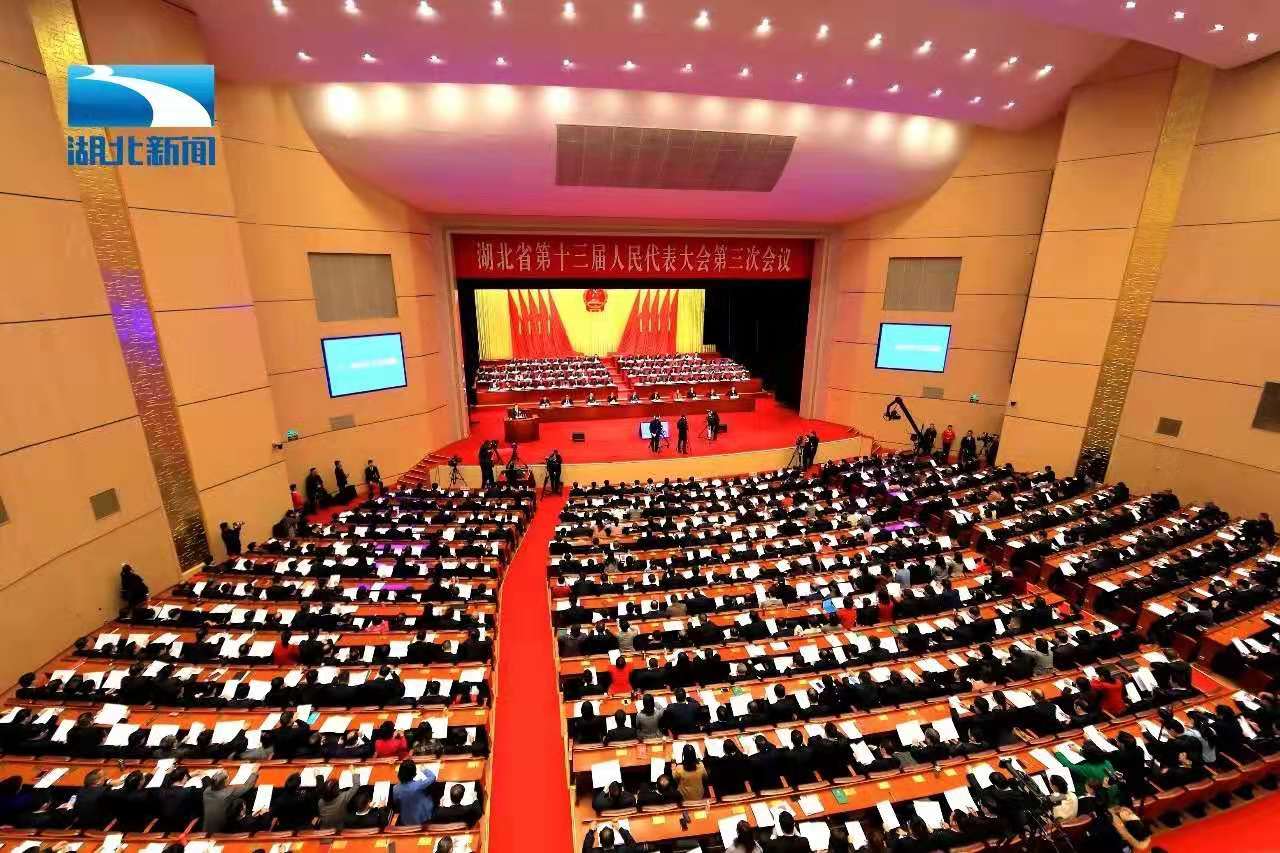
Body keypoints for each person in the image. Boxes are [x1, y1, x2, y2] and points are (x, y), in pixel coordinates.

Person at [202, 768, 260, 833]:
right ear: (225, 782)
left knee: (238, 801)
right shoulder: (228, 793)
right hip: (223, 832)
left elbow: (207, 781)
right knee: (241, 801)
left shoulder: (206, 791)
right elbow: (247, 786)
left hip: (206, 831)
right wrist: (254, 772)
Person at [392, 759, 437, 826]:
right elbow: (433, 777)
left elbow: (396, 803)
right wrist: (424, 769)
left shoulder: (395, 788)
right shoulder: (419, 785)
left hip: (406, 821)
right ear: (414, 774)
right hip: (423, 819)